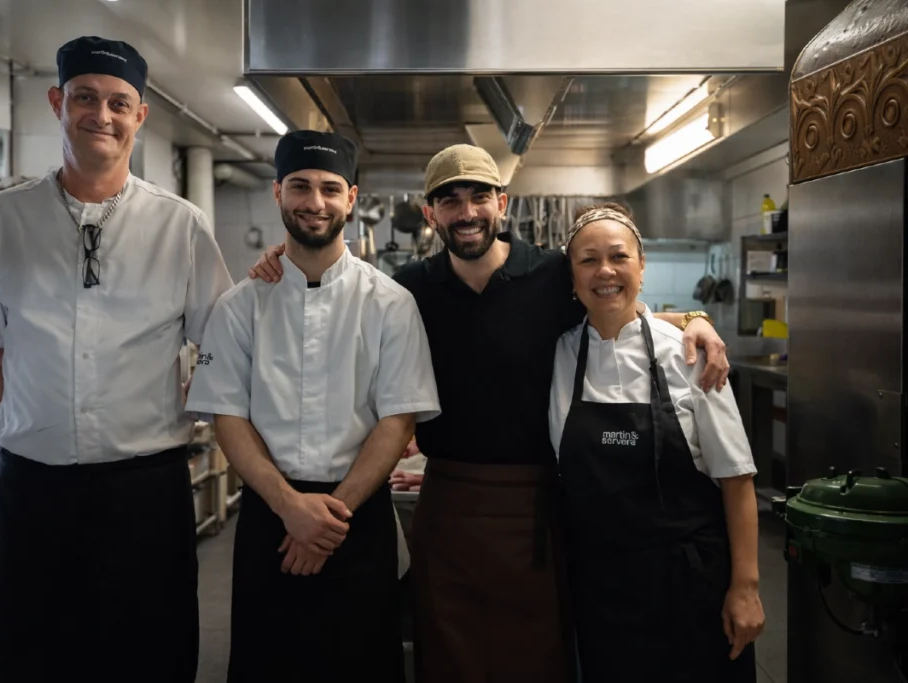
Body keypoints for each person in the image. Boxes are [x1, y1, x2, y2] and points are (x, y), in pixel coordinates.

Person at [247, 143, 731, 683]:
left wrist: (694, 319)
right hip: (448, 503)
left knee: (534, 659)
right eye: (449, 201)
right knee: (449, 656)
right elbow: (332, 290)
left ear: (502, 203)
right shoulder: (409, 288)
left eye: (479, 197)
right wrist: (284, 258)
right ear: (430, 214)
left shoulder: (552, 276)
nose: (467, 212)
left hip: (537, 505)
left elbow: (618, 304)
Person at [0, 36, 233, 683]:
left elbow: (224, 344)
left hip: (145, 492)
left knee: (151, 656)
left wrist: (192, 405)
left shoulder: (180, 226)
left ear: (140, 115)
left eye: (119, 103)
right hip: (33, 490)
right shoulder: (3, 220)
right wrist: (27, 428)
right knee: (33, 654)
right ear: (57, 102)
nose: (102, 115)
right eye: (85, 98)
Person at [185, 129, 440, 683]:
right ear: (278, 192)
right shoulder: (239, 307)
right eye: (300, 186)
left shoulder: (391, 303)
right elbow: (228, 416)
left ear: (351, 198)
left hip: (358, 518)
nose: (315, 202)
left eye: (329, 188)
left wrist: (328, 519)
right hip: (270, 518)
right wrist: (290, 507)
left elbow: (398, 419)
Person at [550, 203, 764, 682]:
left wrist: (746, 588)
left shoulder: (690, 354)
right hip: (601, 590)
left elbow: (737, 478)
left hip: (689, 585)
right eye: (588, 260)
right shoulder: (559, 354)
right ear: (572, 276)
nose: (605, 271)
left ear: (642, 266)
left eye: (619, 256)